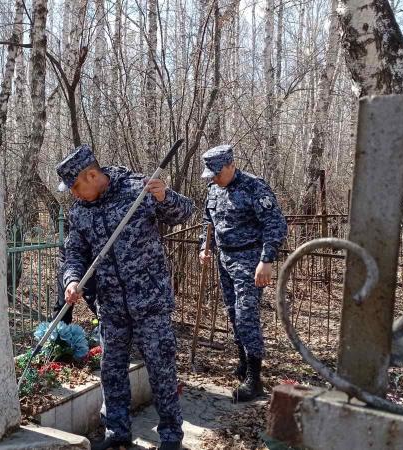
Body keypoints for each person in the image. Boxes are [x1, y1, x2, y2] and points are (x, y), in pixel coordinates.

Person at [58, 144, 194, 450]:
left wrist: (164, 196)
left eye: (76, 186)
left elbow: (185, 212)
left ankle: (171, 436)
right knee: (111, 371)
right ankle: (117, 431)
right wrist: (73, 279)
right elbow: (75, 253)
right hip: (111, 305)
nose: (74, 194)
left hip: (150, 302)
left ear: (91, 174)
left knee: (161, 370)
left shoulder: (138, 189)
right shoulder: (80, 212)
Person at [198, 144, 287, 402]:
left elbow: (275, 223)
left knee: (246, 314)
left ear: (231, 165)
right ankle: (243, 363)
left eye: (217, 172)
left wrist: (266, 260)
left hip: (250, 260)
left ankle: (254, 379)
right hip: (225, 260)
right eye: (210, 174)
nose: (214, 178)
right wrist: (206, 246)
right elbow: (209, 222)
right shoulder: (214, 189)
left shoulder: (254, 187)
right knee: (232, 312)